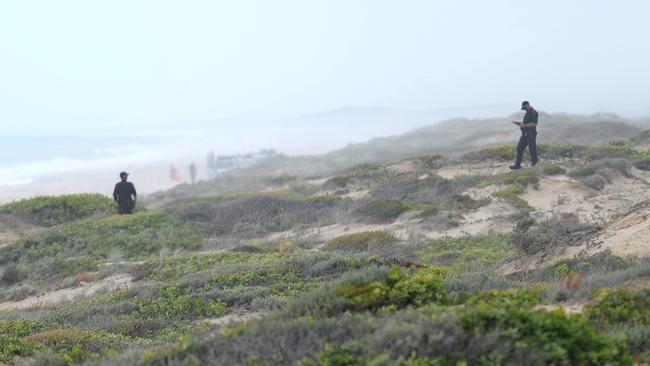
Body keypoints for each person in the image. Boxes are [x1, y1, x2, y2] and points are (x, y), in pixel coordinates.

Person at [510, 100, 539, 169]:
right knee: (519, 148)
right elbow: (525, 124)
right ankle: (517, 165)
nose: (524, 109)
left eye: (525, 108)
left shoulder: (534, 113)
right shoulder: (527, 113)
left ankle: (535, 163)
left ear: (528, 105)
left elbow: (534, 124)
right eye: (523, 109)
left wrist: (524, 125)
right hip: (524, 134)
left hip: (531, 134)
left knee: (532, 149)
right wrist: (520, 124)